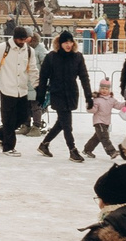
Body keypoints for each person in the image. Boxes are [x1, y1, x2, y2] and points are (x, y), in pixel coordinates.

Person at [0, 27, 40, 154]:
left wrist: (37, 85)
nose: (22, 42)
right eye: (20, 40)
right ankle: (8, 147)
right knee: (8, 119)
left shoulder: (29, 51)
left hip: (22, 89)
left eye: (24, 40)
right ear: (14, 38)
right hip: (6, 87)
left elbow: (33, 70)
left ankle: (0, 134)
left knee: (23, 117)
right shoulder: (3, 48)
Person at [37, 31, 89, 159]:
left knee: (62, 122)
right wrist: (41, 95)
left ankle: (44, 144)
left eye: (70, 42)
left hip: (71, 93)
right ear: (60, 43)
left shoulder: (77, 57)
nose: (68, 45)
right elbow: (43, 77)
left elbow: (84, 77)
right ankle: (72, 150)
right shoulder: (51, 57)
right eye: (65, 42)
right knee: (67, 125)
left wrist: (89, 96)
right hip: (57, 93)